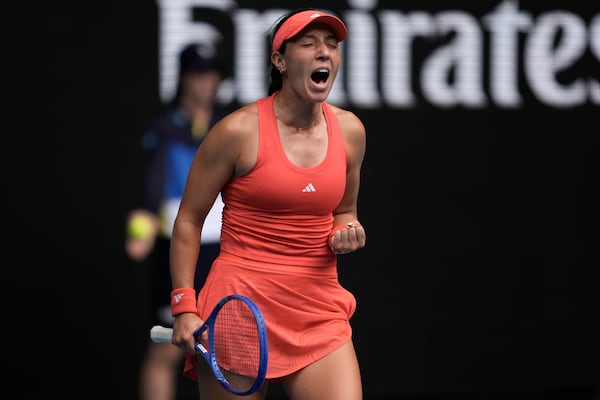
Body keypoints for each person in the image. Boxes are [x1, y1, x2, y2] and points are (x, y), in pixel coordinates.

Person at [169, 8, 367, 400]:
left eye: (331, 45)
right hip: (238, 309)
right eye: (309, 44)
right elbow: (189, 220)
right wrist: (184, 307)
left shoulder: (351, 132)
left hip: (318, 308)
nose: (323, 53)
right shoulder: (236, 131)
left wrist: (347, 231)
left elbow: (344, 211)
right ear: (280, 61)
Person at [125, 40, 229, 400]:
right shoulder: (163, 129)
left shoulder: (227, 128)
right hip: (180, 252)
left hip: (224, 254)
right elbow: (152, 185)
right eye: (199, 74)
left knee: (224, 353)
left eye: (212, 73)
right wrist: (142, 219)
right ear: (184, 79)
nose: (207, 82)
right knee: (166, 349)